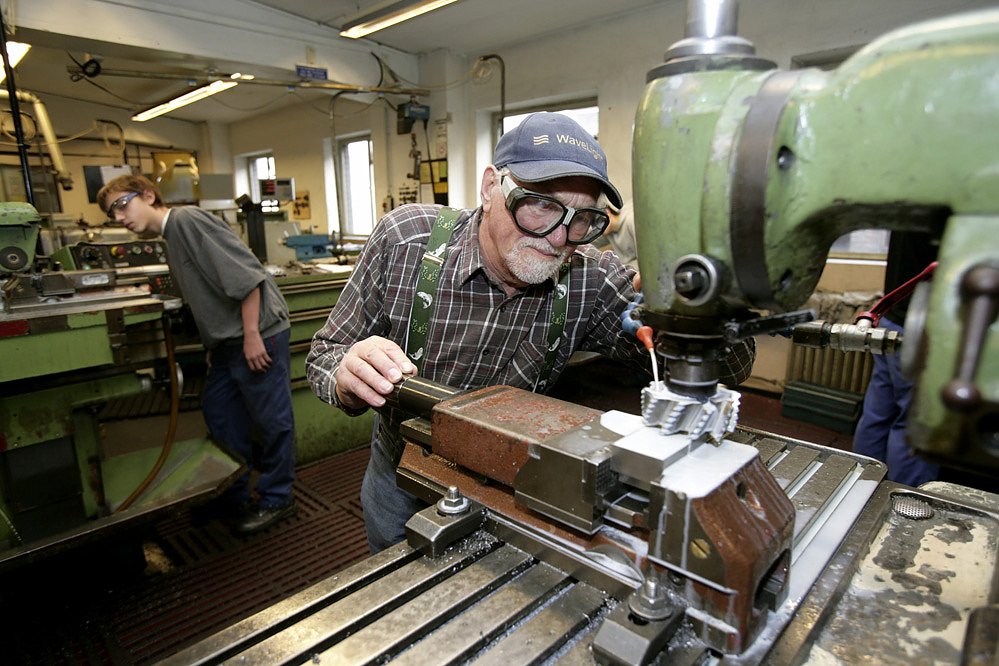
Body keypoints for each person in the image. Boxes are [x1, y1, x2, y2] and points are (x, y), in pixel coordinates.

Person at [306, 112, 753, 553]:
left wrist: (691, 310)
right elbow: (325, 354)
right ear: (490, 188)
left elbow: (730, 368)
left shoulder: (590, 280)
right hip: (400, 476)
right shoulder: (406, 242)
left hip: (511, 485)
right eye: (541, 204)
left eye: (583, 219)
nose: (559, 238)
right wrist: (346, 376)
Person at [98, 175, 297, 535]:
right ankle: (232, 493)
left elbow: (248, 277)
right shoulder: (169, 236)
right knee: (221, 415)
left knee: (272, 421)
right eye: (112, 213)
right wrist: (213, 346)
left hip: (257, 333)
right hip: (225, 344)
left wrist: (252, 335)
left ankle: (277, 498)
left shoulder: (187, 221)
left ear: (148, 195)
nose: (119, 217)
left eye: (122, 205)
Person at [852, 230, 940, 486]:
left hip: (890, 320)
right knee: (913, 422)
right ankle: (907, 497)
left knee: (878, 412)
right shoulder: (952, 214)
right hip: (919, 329)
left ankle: (862, 485)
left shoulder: (909, 212)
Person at [602, 200, 638, 270]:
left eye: (595, 221)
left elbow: (648, 258)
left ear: (607, 212)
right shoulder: (608, 229)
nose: (595, 228)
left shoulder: (631, 221)